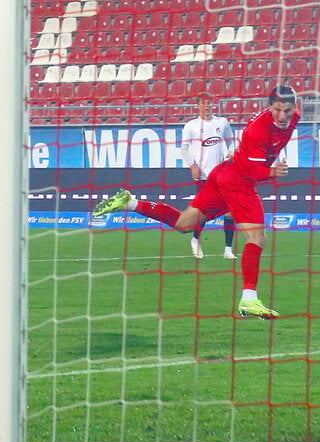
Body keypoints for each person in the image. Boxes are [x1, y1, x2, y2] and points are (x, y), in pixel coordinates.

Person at [93, 84, 300, 319]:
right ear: (269, 107)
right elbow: (253, 170)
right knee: (257, 237)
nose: (282, 116)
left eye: (288, 110)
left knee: (184, 224)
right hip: (238, 180)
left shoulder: (295, 118)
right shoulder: (258, 130)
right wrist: (272, 172)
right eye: (277, 110)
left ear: (295, 107)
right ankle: (249, 300)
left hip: (223, 174)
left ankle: (130, 203)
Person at [181, 94, 237, 260]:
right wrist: (192, 165)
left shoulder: (222, 123)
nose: (207, 107)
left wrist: (231, 152)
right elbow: (184, 149)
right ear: (198, 107)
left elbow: (231, 141)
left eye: (209, 104)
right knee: (203, 212)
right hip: (204, 176)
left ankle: (228, 250)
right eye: (204, 104)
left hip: (222, 175)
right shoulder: (191, 126)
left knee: (230, 212)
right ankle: (195, 239)